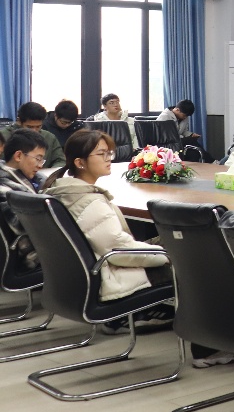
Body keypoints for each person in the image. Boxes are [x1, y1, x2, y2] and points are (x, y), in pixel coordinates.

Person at [43, 130, 174, 333]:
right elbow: (119, 251)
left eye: (109, 153)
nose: (108, 158)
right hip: (113, 276)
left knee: (173, 239)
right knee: (185, 250)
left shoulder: (64, 191)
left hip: (98, 269)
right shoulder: (89, 202)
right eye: (101, 154)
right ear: (80, 162)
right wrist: (165, 256)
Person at [0, 129, 46, 272]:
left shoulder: (34, 179)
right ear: (18, 155)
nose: (41, 165)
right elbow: (22, 225)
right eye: (38, 158)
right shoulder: (4, 187)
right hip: (31, 257)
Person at [1, 102, 65, 168]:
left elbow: (61, 161)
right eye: (29, 127)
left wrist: (50, 172)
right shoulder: (3, 137)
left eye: (38, 126)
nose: (34, 131)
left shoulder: (49, 138)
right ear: (19, 121)